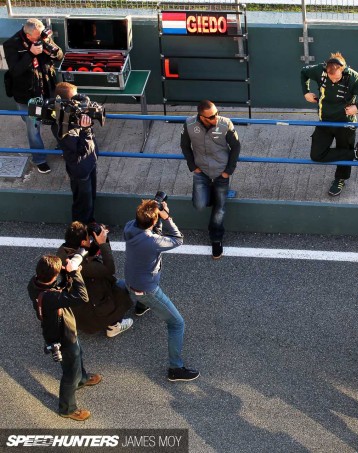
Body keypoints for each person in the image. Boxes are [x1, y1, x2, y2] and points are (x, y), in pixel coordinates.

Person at [123, 199, 199, 381]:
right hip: (147, 289)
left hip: (131, 281)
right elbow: (178, 239)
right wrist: (166, 216)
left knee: (140, 294)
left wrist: (153, 215)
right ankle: (176, 368)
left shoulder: (129, 228)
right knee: (177, 324)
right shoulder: (152, 241)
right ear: (153, 221)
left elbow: (144, 226)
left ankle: (141, 306)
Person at [27, 254, 102, 421]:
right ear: (53, 276)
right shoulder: (51, 298)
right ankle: (67, 409)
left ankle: (82, 379)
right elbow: (82, 296)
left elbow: (59, 288)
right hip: (63, 337)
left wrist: (65, 273)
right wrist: (74, 273)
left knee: (78, 355)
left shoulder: (34, 284)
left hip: (65, 330)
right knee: (70, 374)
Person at [301, 52, 358, 196]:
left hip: (345, 123)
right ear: (326, 70)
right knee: (317, 155)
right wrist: (305, 92)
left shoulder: (353, 78)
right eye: (331, 78)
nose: (334, 81)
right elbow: (304, 72)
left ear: (343, 70)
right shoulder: (319, 70)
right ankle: (356, 153)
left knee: (343, 149)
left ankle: (340, 179)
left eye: (337, 78)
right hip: (325, 121)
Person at [180, 99, 241, 259]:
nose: (216, 118)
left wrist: (228, 171)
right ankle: (215, 198)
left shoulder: (225, 124)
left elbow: (236, 146)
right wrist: (193, 166)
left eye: (216, 114)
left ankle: (216, 239)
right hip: (201, 171)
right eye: (212, 116)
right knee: (199, 205)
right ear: (201, 117)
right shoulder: (189, 124)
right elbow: (185, 146)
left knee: (219, 209)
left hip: (221, 172)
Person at [3, 18, 63, 174]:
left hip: (48, 90)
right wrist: (30, 54)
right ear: (28, 35)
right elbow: (15, 71)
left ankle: (63, 146)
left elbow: (59, 56)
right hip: (30, 95)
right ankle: (39, 160)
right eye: (37, 37)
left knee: (57, 119)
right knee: (33, 127)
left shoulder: (43, 37)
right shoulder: (11, 44)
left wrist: (51, 49)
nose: (40, 38)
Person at [56, 221, 133, 338]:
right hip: (92, 309)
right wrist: (103, 243)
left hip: (75, 307)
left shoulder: (64, 251)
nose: (90, 240)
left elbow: (85, 254)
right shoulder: (84, 267)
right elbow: (110, 269)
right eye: (88, 238)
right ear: (82, 242)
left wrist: (97, 243)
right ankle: (113, 326)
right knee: (123, 288)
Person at [51, 82, 99, 224]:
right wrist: (86, 130)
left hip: (90, 163)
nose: (78, 103)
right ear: (66, 102)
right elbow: (80, 149)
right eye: (75, 99)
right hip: (79, 168)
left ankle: (90, 225)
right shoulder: (61, 125)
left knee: (91, 199)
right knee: (82, 204)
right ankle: (78, 232)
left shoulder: (75, 115)